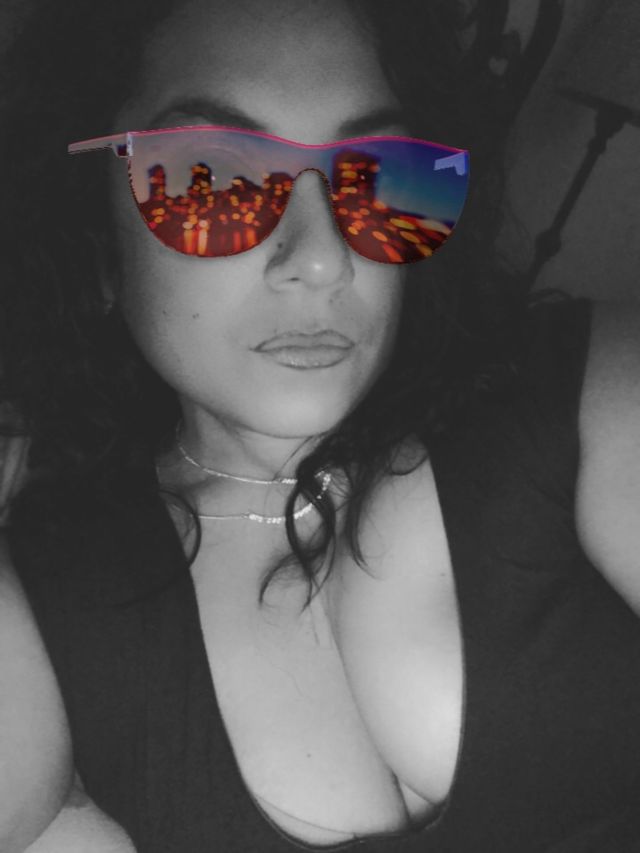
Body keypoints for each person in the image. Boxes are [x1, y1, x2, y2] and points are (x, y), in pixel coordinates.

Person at [1, 0, 639, 850]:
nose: (323, 256)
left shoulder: (576, 389)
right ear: (95, 240)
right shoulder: (61, 583)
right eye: (212, 180)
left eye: (375, 177)